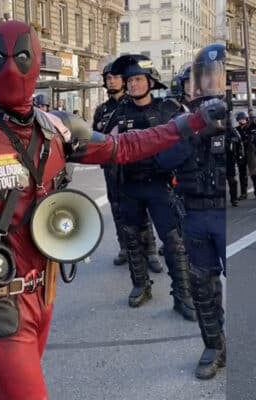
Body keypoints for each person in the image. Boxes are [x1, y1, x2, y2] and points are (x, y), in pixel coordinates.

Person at [0, 20, 224, 400]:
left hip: (45, 291)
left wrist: (188, 123)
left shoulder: (59, 128)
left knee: (4, 392)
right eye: (0, 58)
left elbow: (122, 147)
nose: (11, 67)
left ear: (36, 60)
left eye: (22, 57)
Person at [156, 42, 227, 380]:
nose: (209, 86)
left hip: (225, 214)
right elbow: (162, 160)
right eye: (204, 79)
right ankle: (213, 345)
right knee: (202, 286)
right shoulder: (179, 121)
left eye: (218, 78)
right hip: (195, 215)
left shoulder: (235, 117)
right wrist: (193, 131)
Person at [110, 54, 195, 320]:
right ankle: (140, 285)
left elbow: (189, 142)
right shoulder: (118, 112)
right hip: (130, 187)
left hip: (161, 187)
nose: (132, 84)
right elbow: (104, 144)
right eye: (129, 80)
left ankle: (182, 294)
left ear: (150, 81)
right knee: (133, 240)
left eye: (137, 79)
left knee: (173, 241)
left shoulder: (169, 110)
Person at [92, 62, 162, 272]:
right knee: (117, 207)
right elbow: (95, 136)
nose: (111, 80)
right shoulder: (102, 109)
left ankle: (150, 251)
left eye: (115, 76)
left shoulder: (131, 104)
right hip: (112, 166)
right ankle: (125, 247)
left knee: (143, 208)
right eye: (107, 77)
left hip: (137, 164)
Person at [235, 111, 256, 200]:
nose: (241, 121)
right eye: (240, 119)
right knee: (242, 174)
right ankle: (243, 193)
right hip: (241, 153)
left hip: (251, 152)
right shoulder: (236, 130)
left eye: (243, 119)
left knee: (254, 173)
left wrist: (254, 119)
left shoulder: (252, 127)